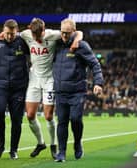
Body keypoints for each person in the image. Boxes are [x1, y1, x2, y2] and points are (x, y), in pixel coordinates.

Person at [20, 18, 83, 159]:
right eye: (34, 36)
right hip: (34, 79)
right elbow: (11, 35)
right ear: (30, 30)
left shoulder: (53, 34)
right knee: (30, 115)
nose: (37, 39)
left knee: (48, 116)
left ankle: (53, 145)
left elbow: (78, 32)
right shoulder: (26, 34)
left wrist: (77, 40)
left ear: (44, 30)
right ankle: (41, 143)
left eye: (40, 35)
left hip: (49, 79)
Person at [53, 18, 103, 162]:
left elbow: (95, 65)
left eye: (68, 33)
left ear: (74, 32)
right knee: (62, 121)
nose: (64, 36)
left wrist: (98, 83)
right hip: (60, 91)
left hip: (77, 91)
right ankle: (61, 152)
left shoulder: (82, 46)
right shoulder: (55, 44)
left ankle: (77, 143)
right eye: (62, 33)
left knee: (75, 119)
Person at [0, 19, 29, 159]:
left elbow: (37, 43)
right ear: (3, 31)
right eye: (7, 33)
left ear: (17, 31)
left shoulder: (23, 42)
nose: (10, 36)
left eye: (12, 34)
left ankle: (14, 150)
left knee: (17, 120)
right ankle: (1, 145)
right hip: (0, 86)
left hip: (18, 88)